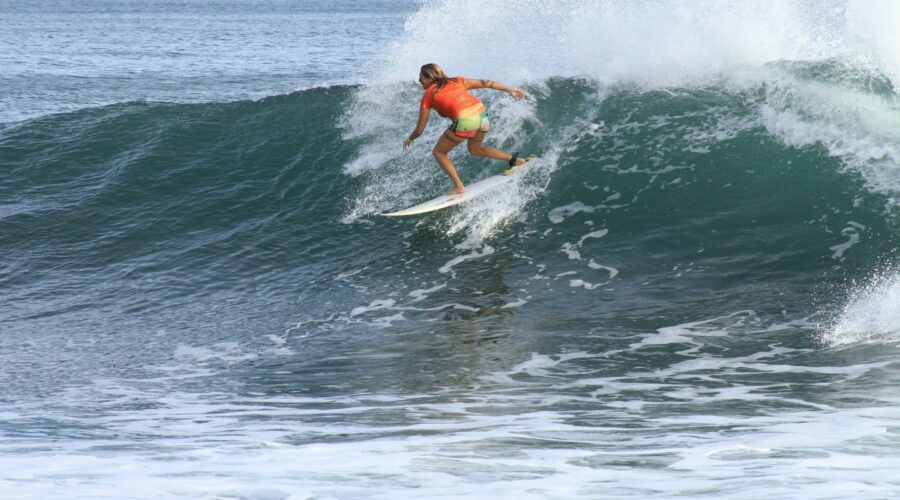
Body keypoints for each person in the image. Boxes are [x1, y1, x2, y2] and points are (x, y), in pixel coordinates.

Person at [403, 63, 530, 195]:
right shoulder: (457, 81)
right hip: (482, 115)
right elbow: (486, 83)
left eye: (421, 77)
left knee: (439, 153)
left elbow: (419, 129)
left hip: (466, 120)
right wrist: (510, 90)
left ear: (429, 77)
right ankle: (516, 160)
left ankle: (459, 186)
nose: (419, 81)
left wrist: (410, 138)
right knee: (475, 149)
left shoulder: (428, 96)